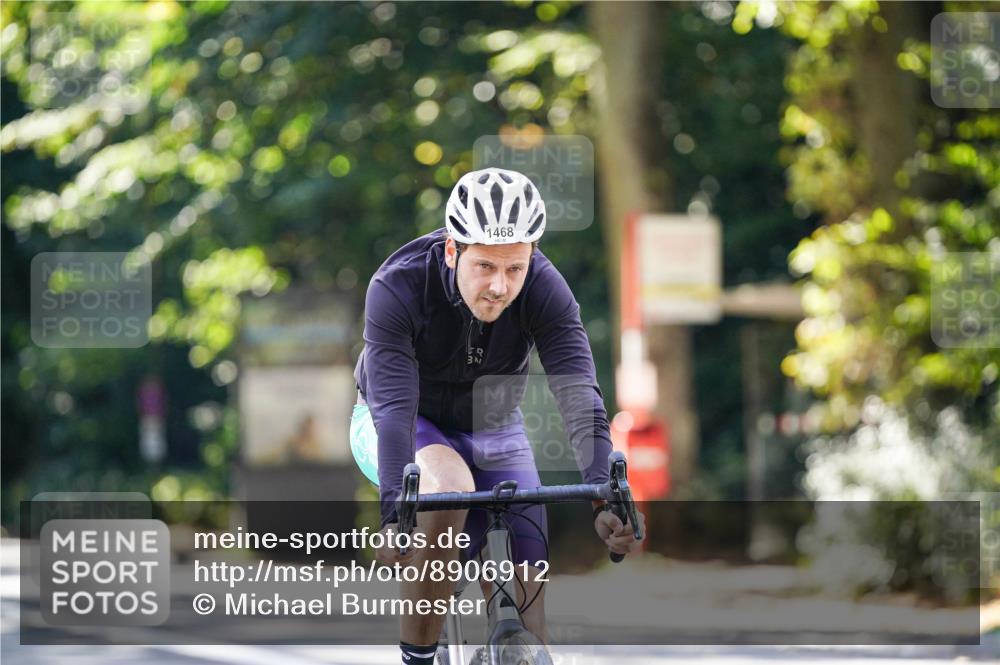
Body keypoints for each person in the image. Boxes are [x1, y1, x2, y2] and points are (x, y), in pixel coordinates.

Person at [351, 167, 645, 665]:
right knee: (449, 486)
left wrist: (605, 499)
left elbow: (579, 398)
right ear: (452, 250)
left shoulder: (545, 289)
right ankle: (417, 656)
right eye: (484, 266)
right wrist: (393, 517)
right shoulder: (398, 285)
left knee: (531, 615)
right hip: (400, 420)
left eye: (515, 268)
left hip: (494, 427)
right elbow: (396, 409)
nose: (500, 286)